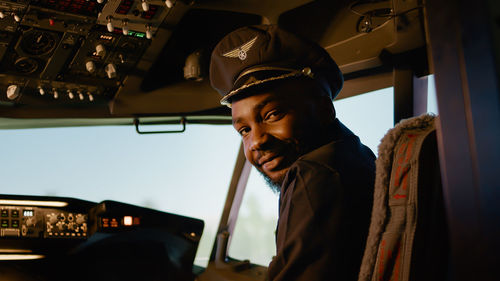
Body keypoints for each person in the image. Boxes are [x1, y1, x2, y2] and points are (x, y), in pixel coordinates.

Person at [209, 24, 376, 281]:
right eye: (244, 130)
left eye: (272, 114)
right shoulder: (356, 156)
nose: (256, 142)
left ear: (323, 109)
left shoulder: (315, 174)